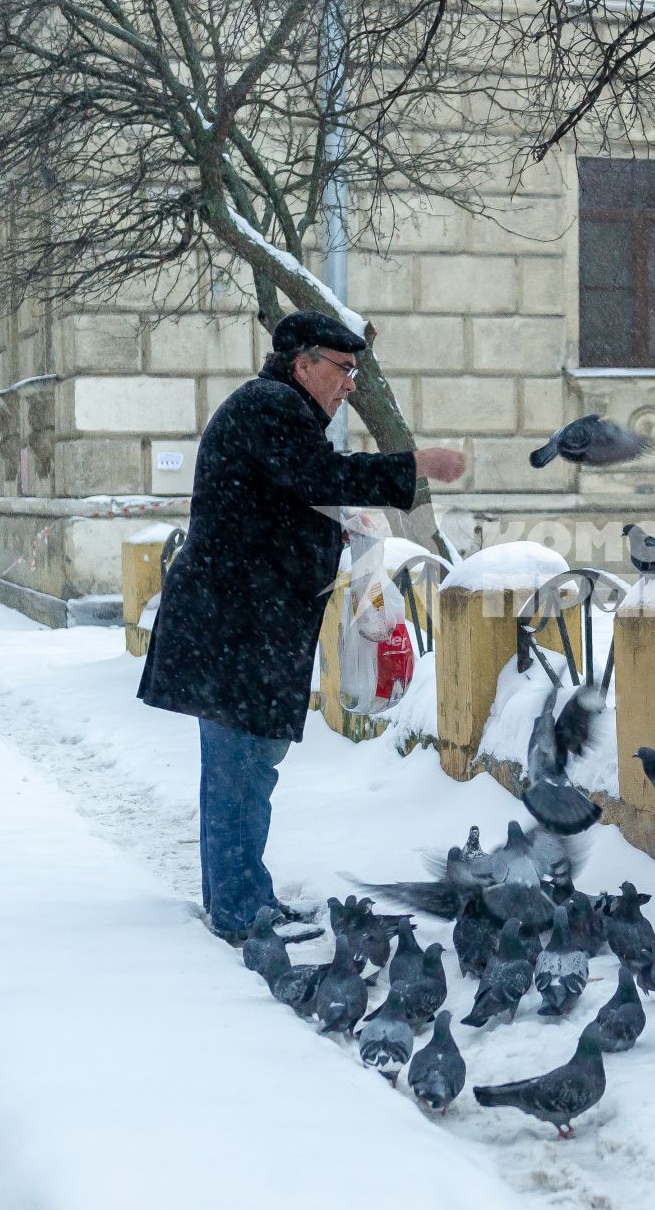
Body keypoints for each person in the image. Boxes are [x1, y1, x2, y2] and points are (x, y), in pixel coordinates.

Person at [137, 310, 466, 943]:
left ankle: (241, 898)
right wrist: (416, 462)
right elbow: (323, 477)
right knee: (241, 770)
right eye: (342, 370)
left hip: (242, 623)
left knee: (246, 766)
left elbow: (291, 494)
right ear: (303, 364)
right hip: (237, 626)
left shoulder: (276, 414)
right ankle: (239, 911)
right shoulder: (271, 406)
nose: (349, 384)